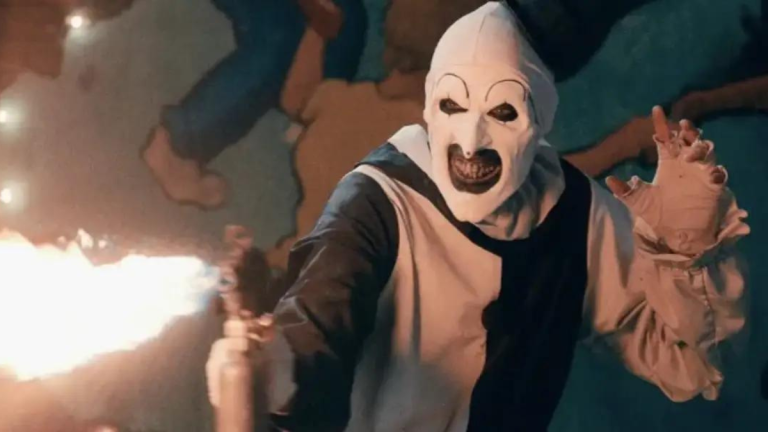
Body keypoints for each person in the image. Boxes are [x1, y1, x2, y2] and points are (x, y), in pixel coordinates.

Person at [207, 3, 749, 430]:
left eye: (501, 111)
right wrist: (271, 367)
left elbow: (686, 361)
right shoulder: (376, 204)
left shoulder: (575, 215)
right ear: (430, 109)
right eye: (454, 106)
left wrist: (690, 250)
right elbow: (321, 322)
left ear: (538, 121)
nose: (471, 140)